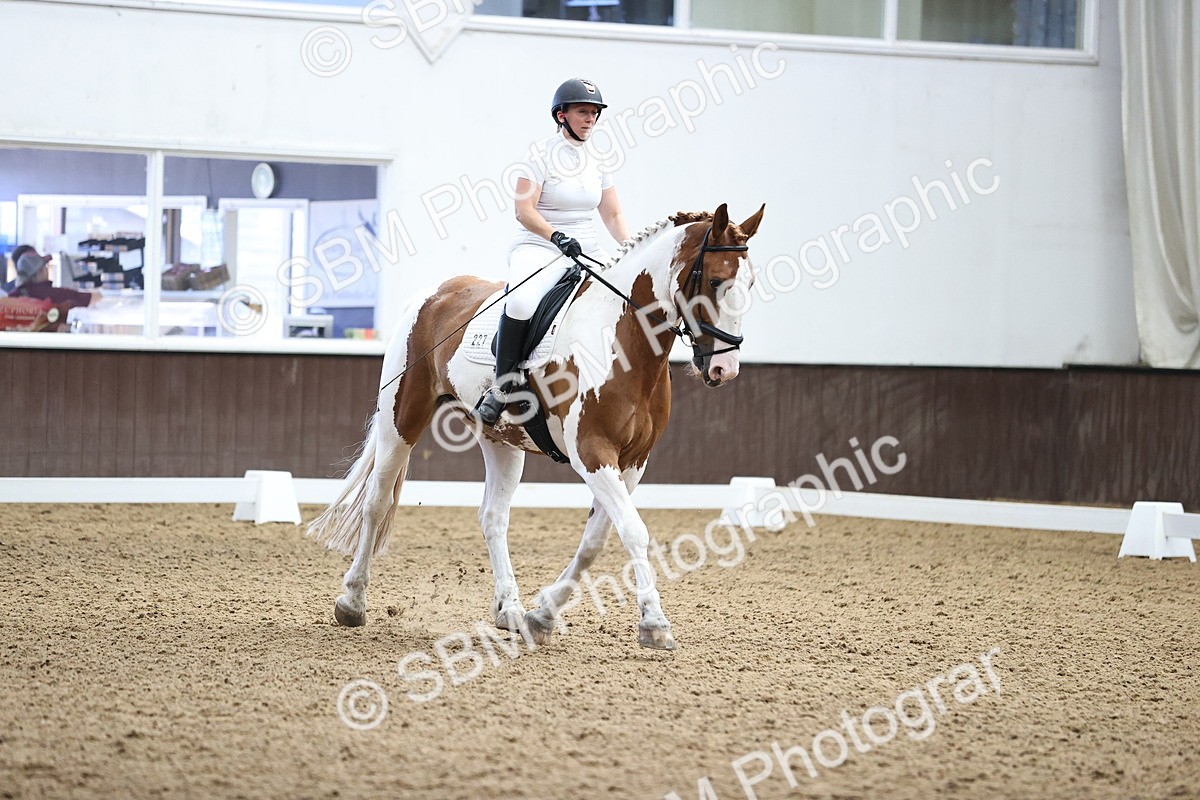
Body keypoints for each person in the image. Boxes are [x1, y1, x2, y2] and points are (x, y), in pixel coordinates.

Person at [474, 77, 632, 425]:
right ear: (561, 115)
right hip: (540, 245)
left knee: (626, 296)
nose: (589, 119)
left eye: (594, 113)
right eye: (582, 112)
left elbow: (612, 213)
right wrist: (556, 236)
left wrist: (631, 248)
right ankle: (502, 387)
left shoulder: (599, 159)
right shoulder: (539, 154)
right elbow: (524, 210)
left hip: (586, 248)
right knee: (520, 302)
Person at [5, 246, 98, 311]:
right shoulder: (55, 294)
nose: (47, 269)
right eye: (45, 266)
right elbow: (93, 299)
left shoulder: (10, 297)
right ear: (39, 271)